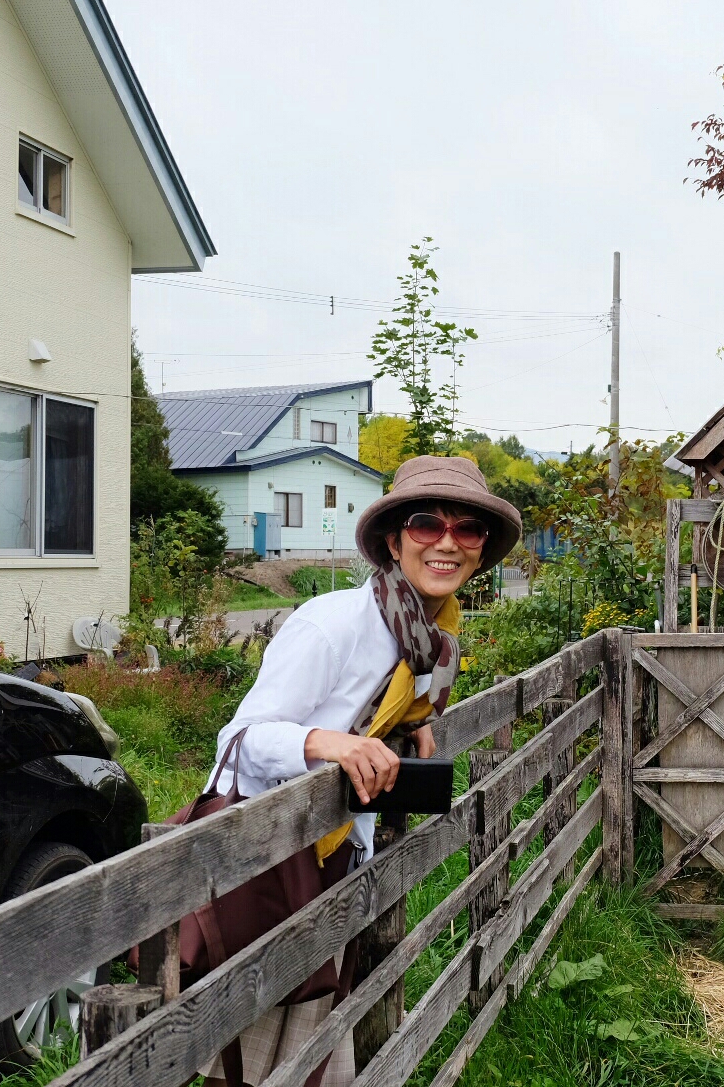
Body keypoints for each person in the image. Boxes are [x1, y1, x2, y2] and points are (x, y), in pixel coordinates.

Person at [199, 455, 520, 1087]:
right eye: (427, 524)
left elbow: (395, 703)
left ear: (482, 551)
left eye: (468, 531)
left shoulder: (434, 639)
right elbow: (239, 740)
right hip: (269, 860)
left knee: (313, 1039)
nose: (447, 544)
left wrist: (407, 725)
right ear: (394, 541)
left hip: (339, 853)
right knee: (248, 1047)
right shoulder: (333, 624)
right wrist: (329, 743)